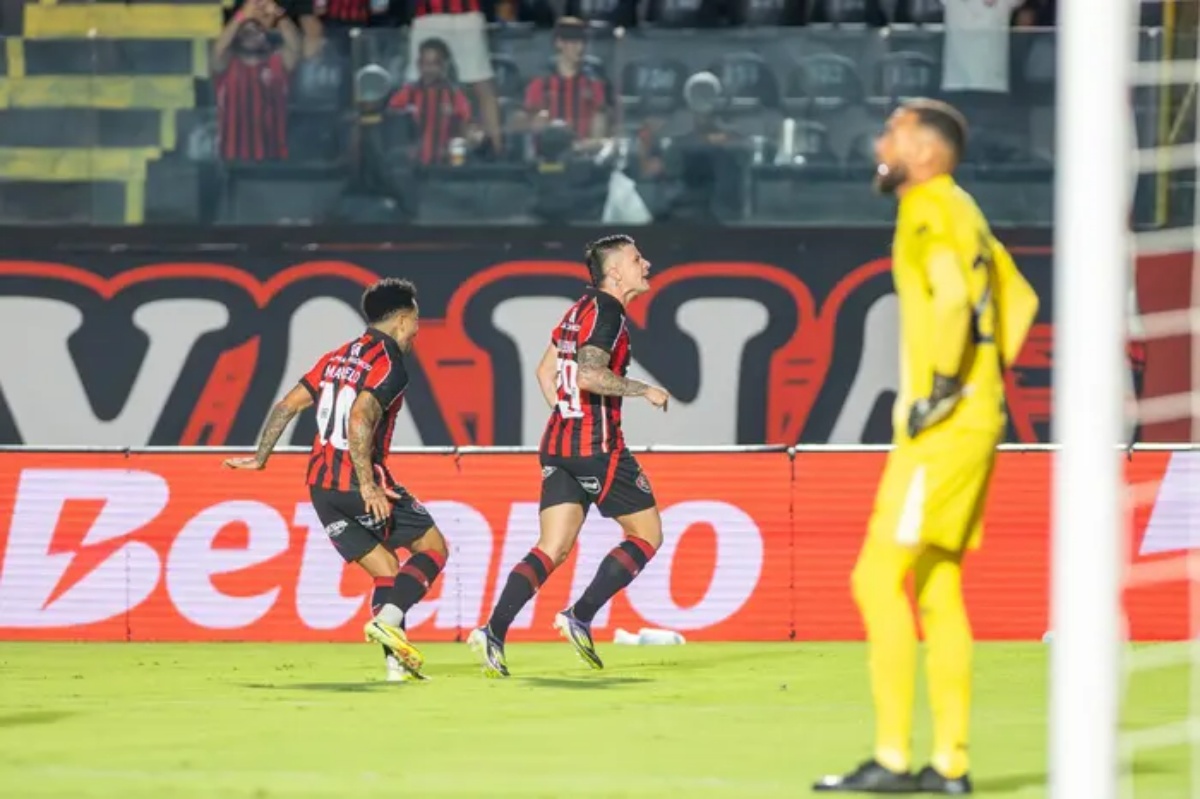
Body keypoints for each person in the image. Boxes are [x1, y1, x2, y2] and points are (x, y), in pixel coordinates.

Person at [813, 99, 1037, 794]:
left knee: (875, 579)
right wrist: (981, 383)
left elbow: (948, 300)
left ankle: (892, 756)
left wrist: (941, 385)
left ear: (928, 153)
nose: (881, 144)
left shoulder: (926, 207)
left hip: (941, 429)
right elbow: (1018, 299)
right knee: (937, 587)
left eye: (895, 135)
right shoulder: (965, 208)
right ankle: (951, 763)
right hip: (976, 418)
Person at [223, 278, 449, 683]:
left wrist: (261, 458)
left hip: (322, 489)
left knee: (385, 571)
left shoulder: (337, 357)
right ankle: (391, 620)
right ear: (401, 319)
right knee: (433, 549)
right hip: (356, 483)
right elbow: (360, 417)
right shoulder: (390, 363)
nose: (417, 329)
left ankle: (395, 666)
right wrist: (368, 485)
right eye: (415, 320)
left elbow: (287, 405)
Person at [466, 235, 670, 677]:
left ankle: (493, 631)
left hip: (558, 444)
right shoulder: (610, 312)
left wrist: (567, 416)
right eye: (637, 259)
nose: (646, 264)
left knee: (552, 548)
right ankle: (579, 614)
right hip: (597, 447)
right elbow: (591, 374)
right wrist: (644, 389)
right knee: (646, 535)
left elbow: (546, 370)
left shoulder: (578, 310)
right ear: (615, 272)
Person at [213, 0, 302, 162]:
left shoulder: (277, 63)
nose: (252, 33)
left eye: (257, 30)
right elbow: (219, 49)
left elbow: (295, 46)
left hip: (273, 159)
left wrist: (278, 15)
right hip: (230, 159)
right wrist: (241, 16)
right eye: (246, 30)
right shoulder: (227, 65)